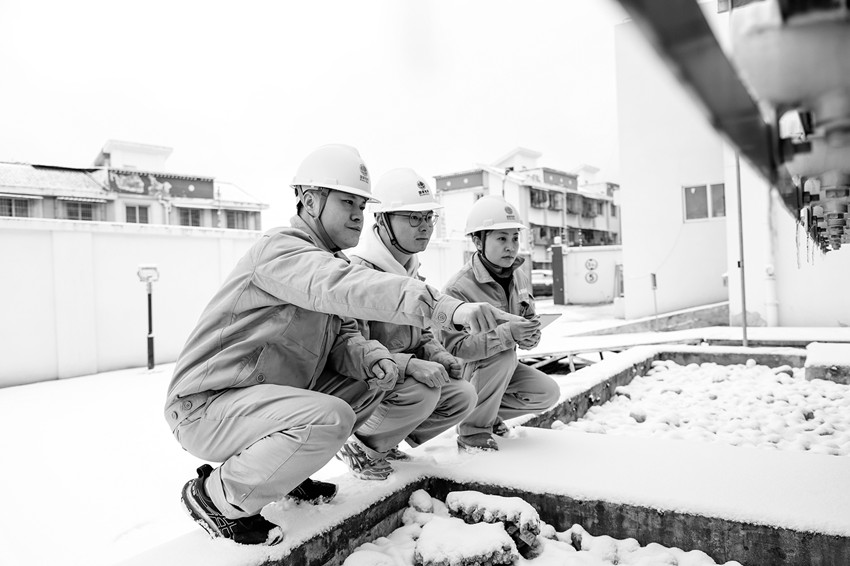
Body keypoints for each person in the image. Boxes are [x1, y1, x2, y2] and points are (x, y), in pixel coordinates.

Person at [165, 144, 523, 546]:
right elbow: (341, 286)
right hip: (207, 406)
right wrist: (443, 307)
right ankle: (215, 497)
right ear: (310, 201)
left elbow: (344, 339)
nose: (357, 214)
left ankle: (288, 475)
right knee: (329, 416)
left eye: (362, 205)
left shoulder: (329, 260)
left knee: (373, 379)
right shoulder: (281, 250)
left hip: (259, 401)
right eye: (346, 202)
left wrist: (375, 361)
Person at [340, 168, 477, 480]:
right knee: (422, 392)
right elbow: (350, 347)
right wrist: (411, 365)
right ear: (382, 220)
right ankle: (357, 446)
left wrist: (439, 356)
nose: (425, 226)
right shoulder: (358, 275)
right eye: (414, 218)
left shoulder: (411, 270)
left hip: (396, 385)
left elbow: (421, 331)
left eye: (428, 217)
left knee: (463, 394)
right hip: (365, 387)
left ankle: (384, 442)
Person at [438, 195, 561, 452]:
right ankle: (472, 431)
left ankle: (487, 416)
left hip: (502, 369)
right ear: (478, 242)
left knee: (547, 392)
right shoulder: (458, 288)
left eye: (515, 238)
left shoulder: (519, 277)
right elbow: (454, 348)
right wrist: (507, 335)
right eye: (501, 239)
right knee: (503, 356)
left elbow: (528, 317)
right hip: (464, 375)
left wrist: (531, 336)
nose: (511, 247)